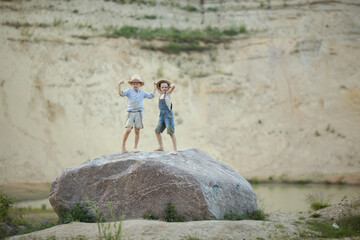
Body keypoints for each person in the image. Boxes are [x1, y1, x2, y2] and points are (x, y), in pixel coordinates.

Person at [118, 75, 156, 153]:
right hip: (130, 113)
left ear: (140, 84)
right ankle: (123, 146)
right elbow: (121, 94)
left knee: (137, 130)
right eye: (134, 83)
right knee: (128, 130)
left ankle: (135, 147)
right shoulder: (129, 91)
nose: (135, 85)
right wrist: (119, 85)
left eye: (137, 83)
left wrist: (155, 87)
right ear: (132, 84)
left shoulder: (142, 92)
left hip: (138, 113)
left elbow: (151, 96)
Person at [154, 79, 177, 155]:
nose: (164, 89)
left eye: (166, 87)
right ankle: (161, 147)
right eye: (162, 87)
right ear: (160, 88)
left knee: (171, 132)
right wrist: (155, 86)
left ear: (168, 88)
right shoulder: (161, 94)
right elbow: (158, 90)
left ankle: (175, 149)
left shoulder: (168, 93)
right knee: (157, 131)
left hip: (168, 115)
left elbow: (173, 86)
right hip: (162, 115)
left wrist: (170, 86)